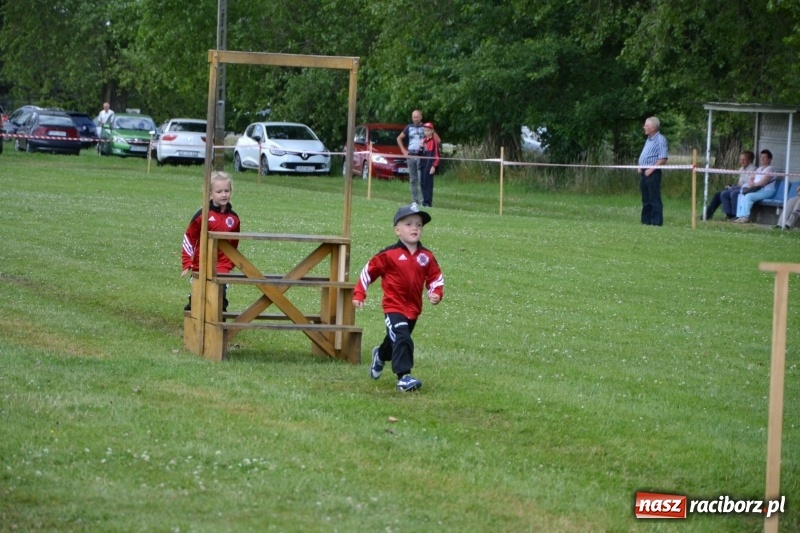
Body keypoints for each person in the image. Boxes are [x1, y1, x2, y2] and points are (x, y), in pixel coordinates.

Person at [352, 204, 445, 392]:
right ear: (397, 230)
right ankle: (404, 377)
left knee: (395, 340)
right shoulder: (388, 255)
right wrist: (360, 293)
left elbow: (436, 277)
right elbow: (368, 272)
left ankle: (380, 354)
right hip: (393, 307)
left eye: (419, 225)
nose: (415, 228)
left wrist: (435, 292)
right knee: (403, 338)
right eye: (409, 224)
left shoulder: (426, 256)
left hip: (413, 310)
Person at [181, 171, 241, 311]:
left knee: (219, 295)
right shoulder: (203, 215)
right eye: (219, 191)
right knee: (199, 295)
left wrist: (231, 261)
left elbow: (234, 242)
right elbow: (189, 238)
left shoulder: (234, 218)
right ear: (210, 193)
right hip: (202, 263)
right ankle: (193, 314)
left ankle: (219, 326)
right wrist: (187, 261)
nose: (224, 194)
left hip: (222, 265)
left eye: (227, 191)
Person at [397, 110, 440, 205]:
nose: (415, 119)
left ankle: (423, 201)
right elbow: (399, 138)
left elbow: (437, 140)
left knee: (422, 179)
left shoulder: (426, 127)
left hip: (422, 157)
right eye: (414, 117)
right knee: (413, 179)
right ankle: (414, 201)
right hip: (411, 155)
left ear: (421, 117)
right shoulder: (409, 127)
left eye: (417, 117)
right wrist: (403, 151)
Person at [704, 150, 756, 220]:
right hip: (741, 188)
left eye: (744, 160)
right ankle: (709, 214)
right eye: (740, 159)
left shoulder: (752, 169)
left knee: (728, 193)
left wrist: (734, 188)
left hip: (747, 189)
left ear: (749, 160)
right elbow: (740, 183)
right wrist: (732, 186)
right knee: (718, 194)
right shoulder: (742, 169)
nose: (741, 161)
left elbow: (747, 184)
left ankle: (733, 215)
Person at [637, 116, 669, 226]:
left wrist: (651, 169)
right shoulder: (649, 140)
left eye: (646, 125)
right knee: (646, 199)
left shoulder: (660, 140)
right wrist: (641, 166)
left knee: (654, 198)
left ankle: (656, 222)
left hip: (653, 173)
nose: (644, 127)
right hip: (644, 172)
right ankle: (646, 221)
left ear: (653, 127)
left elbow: (663, 158)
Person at [734, 149, 775, 223]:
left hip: (766, 191)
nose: (762, 159)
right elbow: (752, 178)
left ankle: (745, 217)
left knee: (748, 196)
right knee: (741, 195)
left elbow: (764, 182)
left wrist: (753, 185)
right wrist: (751, 182)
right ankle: (739, 216)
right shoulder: (759, 169)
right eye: (761, 157)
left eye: (764, 157)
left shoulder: (770, 169)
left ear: (769, 159)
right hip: (757, 189)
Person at [418, 122, 440, 207]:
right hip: (423, 164)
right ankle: (424, 201)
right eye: (425, 130)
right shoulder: (423, 140)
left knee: (428, 184)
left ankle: (428, 202)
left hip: (430, 165)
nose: (426, 132)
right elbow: (419, 154)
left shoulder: (434, 141)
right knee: (423, 182)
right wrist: (420, 147)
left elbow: (437, 155)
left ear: (432, 131)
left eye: (428, 130)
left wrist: (434, 166)